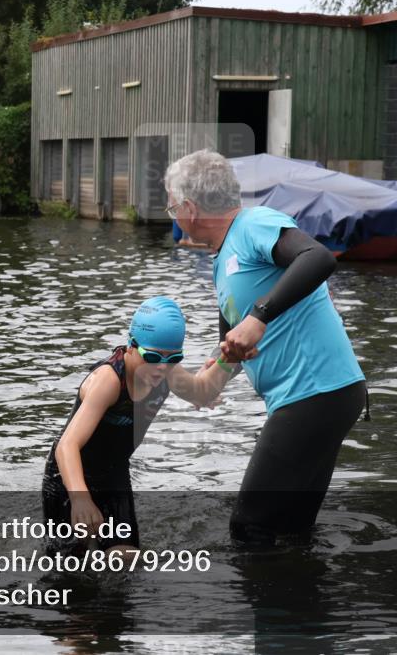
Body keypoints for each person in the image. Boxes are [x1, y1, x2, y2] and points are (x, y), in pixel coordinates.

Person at [164, 149, 368, 546]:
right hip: (323, 396)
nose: (172, 213)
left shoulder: (253, 224)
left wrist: (259, 316)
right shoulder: (223, 260)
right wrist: (205, 382)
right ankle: (301, 603)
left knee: (249, 525)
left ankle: (257, 606)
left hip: (315, 393)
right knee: (291, 528)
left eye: (172, 206)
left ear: (189, 207)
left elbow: (318, 258)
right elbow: (235, 346)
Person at [42, 297, 226, 556]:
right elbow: (66, 445)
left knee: (126, 559)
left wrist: (230, 358)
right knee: (72, 569)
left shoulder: (166, 371)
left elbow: (202, 391)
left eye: (173, 358)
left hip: (114, 475)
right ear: (131, 345)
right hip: (69, 478)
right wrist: (80, 498)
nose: (161, 366)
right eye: (151, 356)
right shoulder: (108, 380)